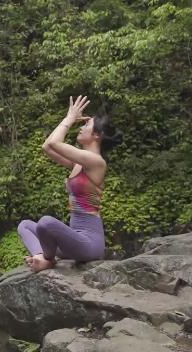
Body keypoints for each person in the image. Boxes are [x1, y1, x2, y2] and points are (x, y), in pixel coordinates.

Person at [19, 95, 122, 272]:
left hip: (89, 244)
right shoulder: (79, 163)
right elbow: (47, 146)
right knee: (25, 225)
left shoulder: (96, 162)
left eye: (86, 126)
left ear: (97, 135)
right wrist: (69, 118)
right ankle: (42, 258)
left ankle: (47, 259)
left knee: (46, 223)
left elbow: (54, 142)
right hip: (72, 241)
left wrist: (70, 118)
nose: (80, 128)